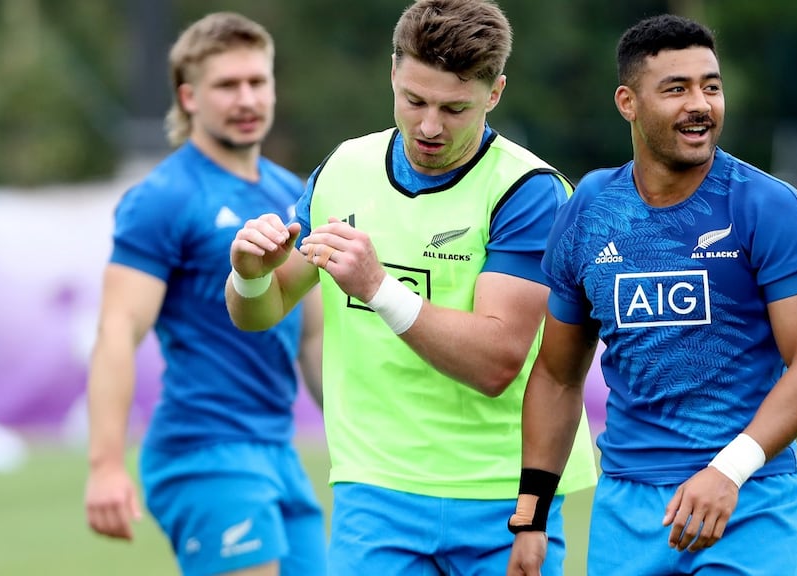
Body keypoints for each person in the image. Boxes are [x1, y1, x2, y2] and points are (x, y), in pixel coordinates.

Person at [225, 1, 597, 574]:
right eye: (415, 100)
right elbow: (263, 310)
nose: (429, 126)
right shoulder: (345, 168)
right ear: (393, 73)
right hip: (374, 491)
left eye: (454, 108)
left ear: (494, 93)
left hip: (500, 495)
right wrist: (248, 275)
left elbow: (496, 362)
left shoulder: (528, 191)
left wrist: (378, 287)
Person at [506, 14, 797, 576]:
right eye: (677, 89)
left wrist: (728, 471)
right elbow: (557, 377)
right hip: (627, 511)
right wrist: (532, 516)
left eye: (711, 86)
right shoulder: (590, 209)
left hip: (748, 501)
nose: (700, 104)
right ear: (628, 103)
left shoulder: (769, 207)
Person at [84, 12, 327, 576]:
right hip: (204, 451)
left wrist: (359, 438)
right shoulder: (162, 198)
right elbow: (117, 330)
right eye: (227, 85)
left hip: (279, 451)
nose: (247, 99)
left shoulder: (295, 193)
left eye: (257, 81)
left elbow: (313, 337)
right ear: (189, 97)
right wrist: (104, 466)